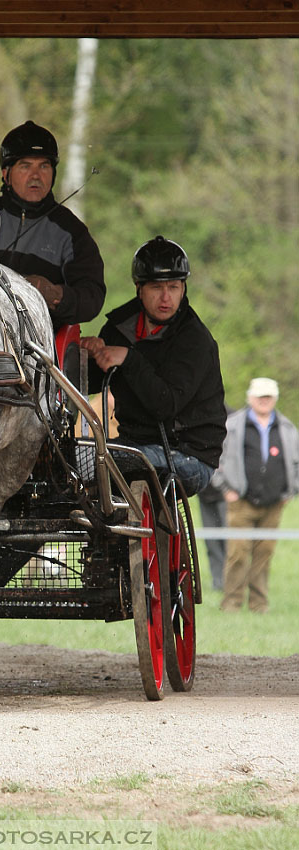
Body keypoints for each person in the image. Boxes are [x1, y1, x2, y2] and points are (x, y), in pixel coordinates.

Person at [80, 235, 226, 497]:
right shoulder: (119, 328)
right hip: (134, 444)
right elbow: (90, 384)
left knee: (102, 462)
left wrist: (128, 358)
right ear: (139, 288)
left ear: (184, 288)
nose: (166, 298)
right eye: (157, 288)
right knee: (71, 460)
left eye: (174, 287)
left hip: (188, 455)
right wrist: (89, 356)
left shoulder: (195, 340)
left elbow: (165, 405)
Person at [0, 120, 106, 331]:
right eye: (25, 166)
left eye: (44, 166)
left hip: (40, 347)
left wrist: (56, 295)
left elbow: (93, 296)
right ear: (5, 173)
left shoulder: (72, 231)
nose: (35, 175)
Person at [213, 377, 299, 613]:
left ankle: (259, 605)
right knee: (238, 554)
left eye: (268, 397)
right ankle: (231, 604)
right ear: (250, 398)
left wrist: (290, 490)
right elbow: (215, 459)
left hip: (274, 503)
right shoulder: (232, 425)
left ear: (275, 399)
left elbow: (296, 463)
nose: (264, 401)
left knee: (264, 555)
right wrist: (225, 488)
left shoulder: (288, 428)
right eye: (260, 396)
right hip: (240, 502)